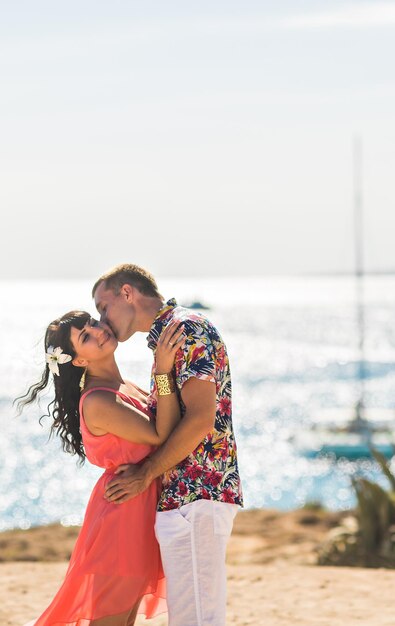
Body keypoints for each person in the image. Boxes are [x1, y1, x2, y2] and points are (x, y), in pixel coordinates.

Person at [92, 263, 244, 626]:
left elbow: (200, 419)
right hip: (184, 498)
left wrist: (145, 474)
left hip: (198, 495)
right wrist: (161, 374)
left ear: (127, 293)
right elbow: (169, 419)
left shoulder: (186, 329)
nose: (103, 320)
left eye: (103, 307)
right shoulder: (167, 339)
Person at [17, 310, 186, 626]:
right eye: (85, 337)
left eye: (92, 323)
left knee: (123, 621)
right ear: (79, 361)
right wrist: (163, 370)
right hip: (122, 519)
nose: (98, 331)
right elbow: (162, 434)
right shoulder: (98, 400)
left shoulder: (125, 385)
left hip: (140, 510)